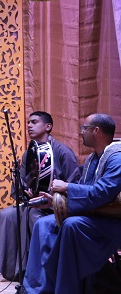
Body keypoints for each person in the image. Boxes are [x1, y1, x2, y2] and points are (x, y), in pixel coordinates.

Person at [22, 113, 121, 294]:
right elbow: (86, 193)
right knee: (42, 224)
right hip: (93, 215)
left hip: (111, 220)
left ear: (96, 131)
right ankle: (37, 289)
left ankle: (65, 289)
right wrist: (54, 203)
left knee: (71, 225)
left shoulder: (117, 158)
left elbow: (102, 193)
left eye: (84, 128)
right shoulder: (93, 159)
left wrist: (67, 187)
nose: (81, 132)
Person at [0, 111, 80, 281]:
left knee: (32, 215)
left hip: (55, 205)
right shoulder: (29, 154)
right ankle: (14, 271)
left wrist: (53, 197)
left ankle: (38, 271)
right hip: (34, 203)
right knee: (7, 214)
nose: (29, 125)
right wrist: (24, 191)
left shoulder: (62, 152)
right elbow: (22, 185)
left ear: (48, 127)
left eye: (34, 122)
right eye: (28, 122)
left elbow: (75, 186)